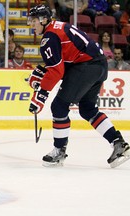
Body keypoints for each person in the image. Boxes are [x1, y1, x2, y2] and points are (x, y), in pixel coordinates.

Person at [27, 5, 130, 168]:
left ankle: (59, 151)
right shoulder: (58, 28)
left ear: (44, 20)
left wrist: (40, 96)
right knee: (87, 109)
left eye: (33, 21)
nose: (31, 25)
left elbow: (57, 71)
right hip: (98, 65)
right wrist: (42, 72)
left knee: (59, 106)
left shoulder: (49, 36)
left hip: (86, 67)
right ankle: (118, 143)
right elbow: (64, 60)